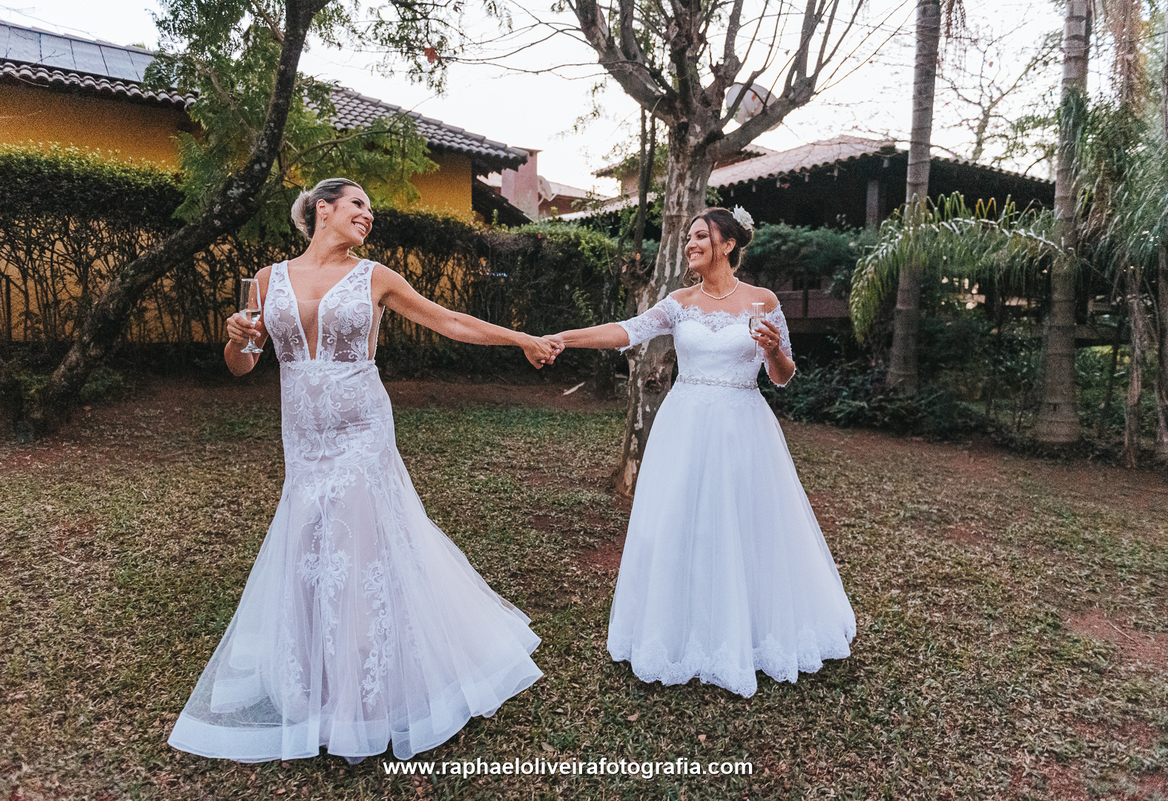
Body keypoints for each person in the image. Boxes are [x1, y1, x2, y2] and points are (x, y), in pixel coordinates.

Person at [168, 178, 555, 763]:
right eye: (358, 205)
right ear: (322, 210)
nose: (367, 216)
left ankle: (366, 695)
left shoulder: (375, 276)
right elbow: (243, 366)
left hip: (361, 430)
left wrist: (520, 338)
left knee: (359, 546)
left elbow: (449, 321)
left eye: (370, 209)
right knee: (308, 544)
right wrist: (237, 340)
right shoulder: (268, 278)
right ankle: (315, 685)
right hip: (302, 437)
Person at [544, 207, 855, 697]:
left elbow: (783, 374)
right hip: (683, 426)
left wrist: (774, 350)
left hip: (742, 427)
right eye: (688, 237)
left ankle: (746, 634)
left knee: (743, 525)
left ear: (727, 244)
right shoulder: (679, 302)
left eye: (698, 236)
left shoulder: (763, 301)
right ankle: (678, 631)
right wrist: (565, 338)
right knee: (678, 523)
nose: (689, 244)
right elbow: (627, 330)